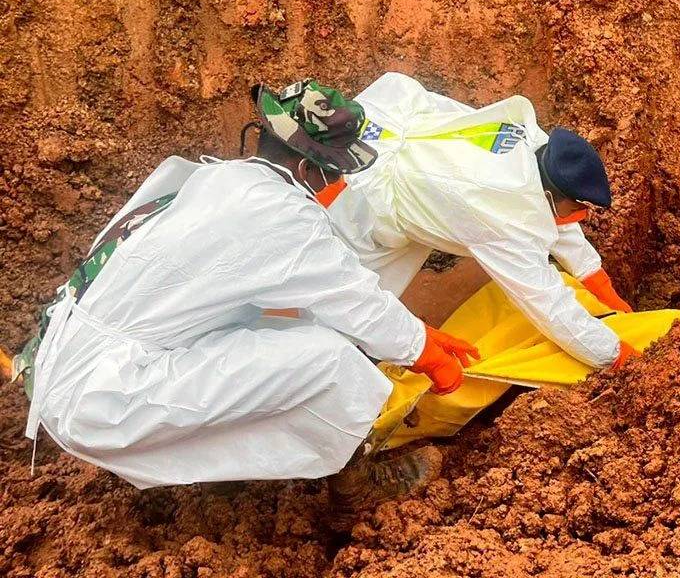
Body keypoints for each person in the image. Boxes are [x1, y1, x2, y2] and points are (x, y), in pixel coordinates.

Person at [16, 79, 476, 489]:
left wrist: (411, 335)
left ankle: (229, 476)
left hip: (66, 365)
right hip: (106, 397)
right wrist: (425, 352)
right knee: (330, 358)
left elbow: (296, 302)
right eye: (335, 173)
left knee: (288, 327)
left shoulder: (220, 180)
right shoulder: (280, 214)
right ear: (311, 169)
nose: (337, 184)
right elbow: (351, 300)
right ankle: (353, 489)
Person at [326, 72, 638, 370]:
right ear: (549, 194)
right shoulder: (502, 218)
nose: (578, 216)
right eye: (577, 208)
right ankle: (343, 361)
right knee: (348, 300)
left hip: (415, 167)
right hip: (369, 203)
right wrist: (614, 354)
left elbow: (553, 214)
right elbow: (549, 305)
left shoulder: (532, 147)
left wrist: (593, 275)